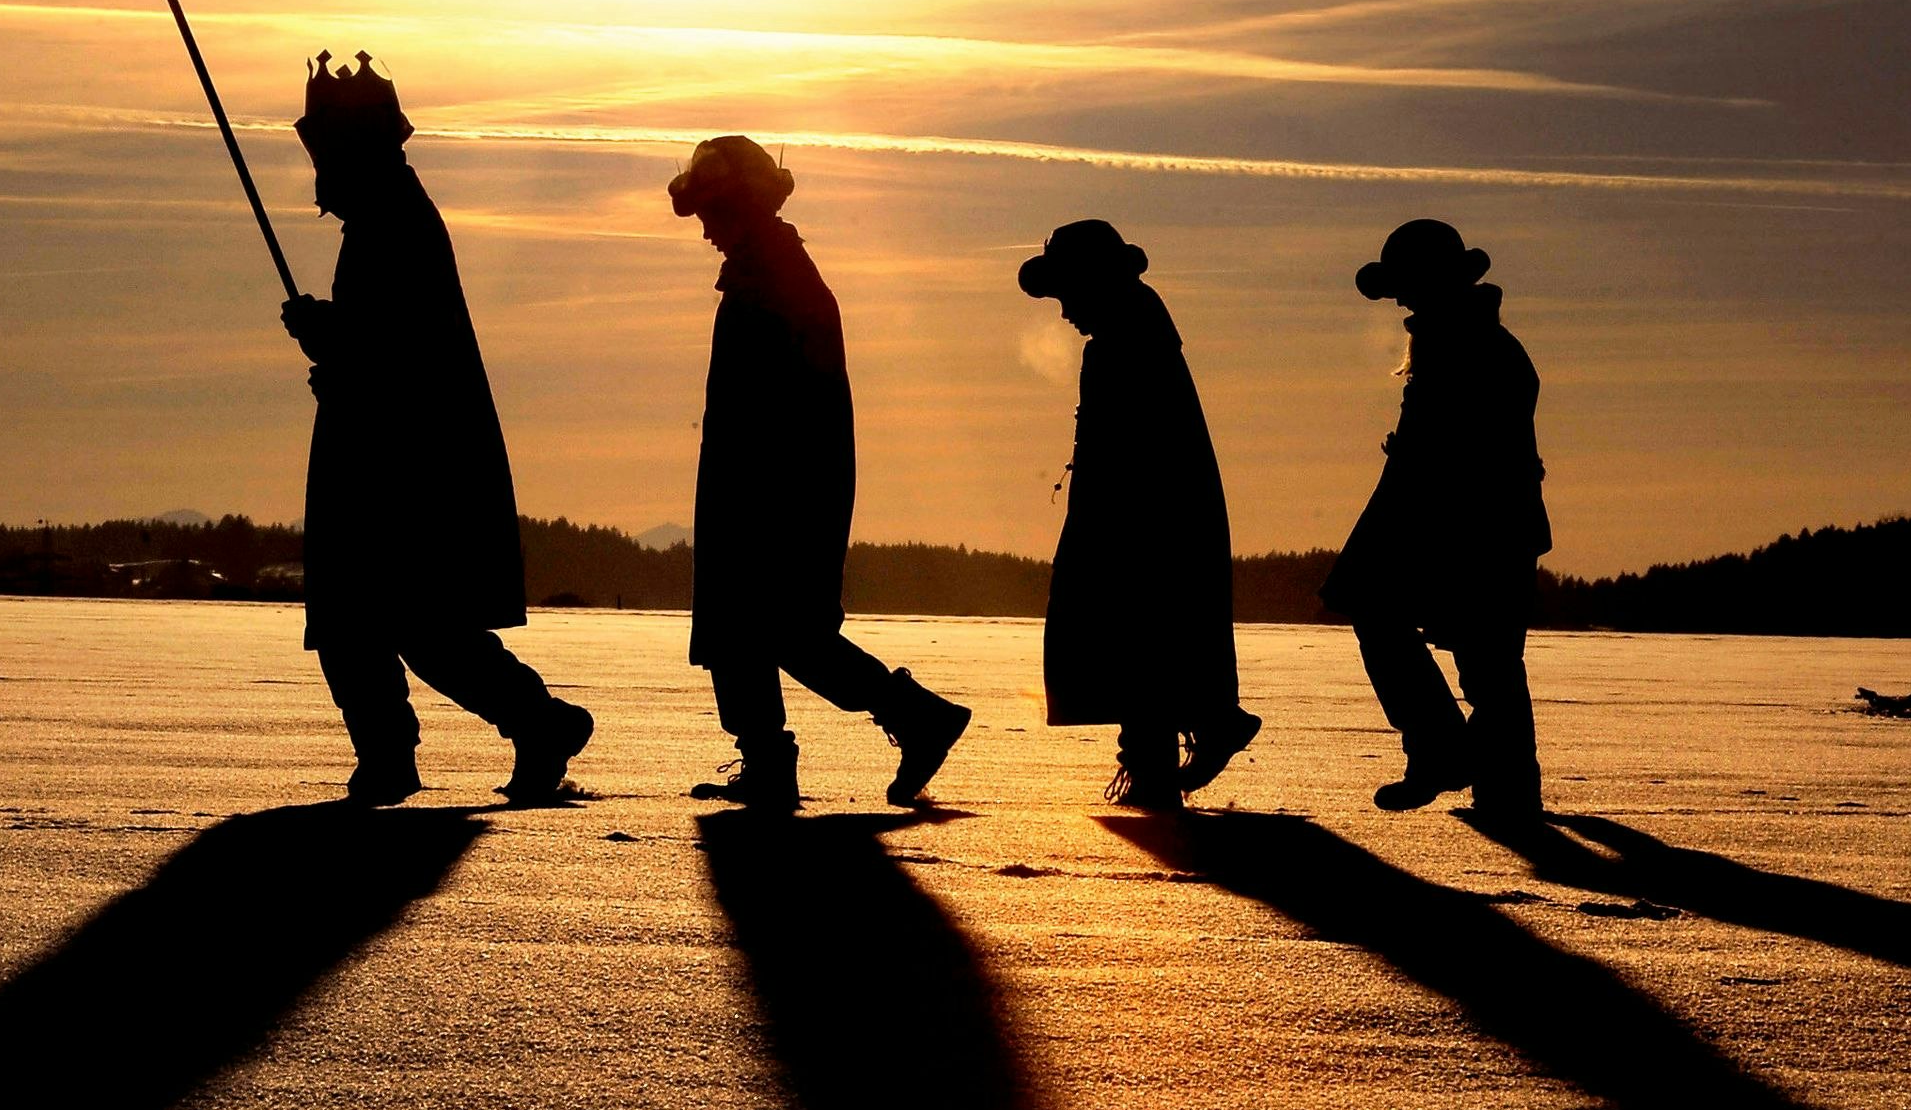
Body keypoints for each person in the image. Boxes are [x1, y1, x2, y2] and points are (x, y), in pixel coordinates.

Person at [278, 52, 593, 806]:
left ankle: (520, 726)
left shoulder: (393, 220)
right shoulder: (385, 214)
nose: (318, 165)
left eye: (325, 146)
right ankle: (413, 748)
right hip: (381, 445)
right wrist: (337, 338)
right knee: (379, 622)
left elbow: (401, 346)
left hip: (400, 458)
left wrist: (331, 335)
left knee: (406, 624)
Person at [668, 135, 972, 809]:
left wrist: (767, 496)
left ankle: (903, 719)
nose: (709, 230)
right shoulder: (766, 272)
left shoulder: (776, 278)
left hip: (774, 492)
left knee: (776, 631)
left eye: (716, 213)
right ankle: (784, 753)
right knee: (753, 631)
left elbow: (792, 405)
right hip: (764, 486)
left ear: (744, 207)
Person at [1015, 221, 1259, 807]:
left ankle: (1173, 750)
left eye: (1068, 294)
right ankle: (1164, 754)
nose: (1064, 311)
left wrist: (1100, 524)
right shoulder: (1136, 330)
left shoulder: (1127, 343)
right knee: (1140, 639)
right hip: (1145, 516)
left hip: (1139, 523)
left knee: (1137, 633)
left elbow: (1128, 450)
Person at [1322, 218, 1549, 817]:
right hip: (1475, 526)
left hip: (1473, 529)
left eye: (1405, 285)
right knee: (1486, 662)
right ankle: (1497, 789)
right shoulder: (1463, 341)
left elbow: (1458, 457)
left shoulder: (1468, 347)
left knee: (1477, 658)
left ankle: (1452, 758)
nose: (1398, 299)